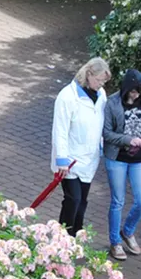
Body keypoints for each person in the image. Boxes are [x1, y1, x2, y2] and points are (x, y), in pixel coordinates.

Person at [101, 68, 141, 259]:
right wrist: (127, 139)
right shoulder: (112, 103)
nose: (136, 95)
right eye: (133, 91)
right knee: (118, 201)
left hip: (139, 159)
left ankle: (128, 231)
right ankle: (115, 242)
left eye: (139, 91)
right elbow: (107, 133)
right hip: (117, 158)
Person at [50, 57, 110, 239]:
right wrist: (62, 160)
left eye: (104, 82)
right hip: (69, 160)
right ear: (89, 74)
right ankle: (62, 239)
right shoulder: (67, 97)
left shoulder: (101, 96)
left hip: (89, 159)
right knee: (73, 199)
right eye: (99, 80)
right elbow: (60, 130)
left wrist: (99, 146)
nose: (101, 85)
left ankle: (76, 236)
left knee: (82, 201)